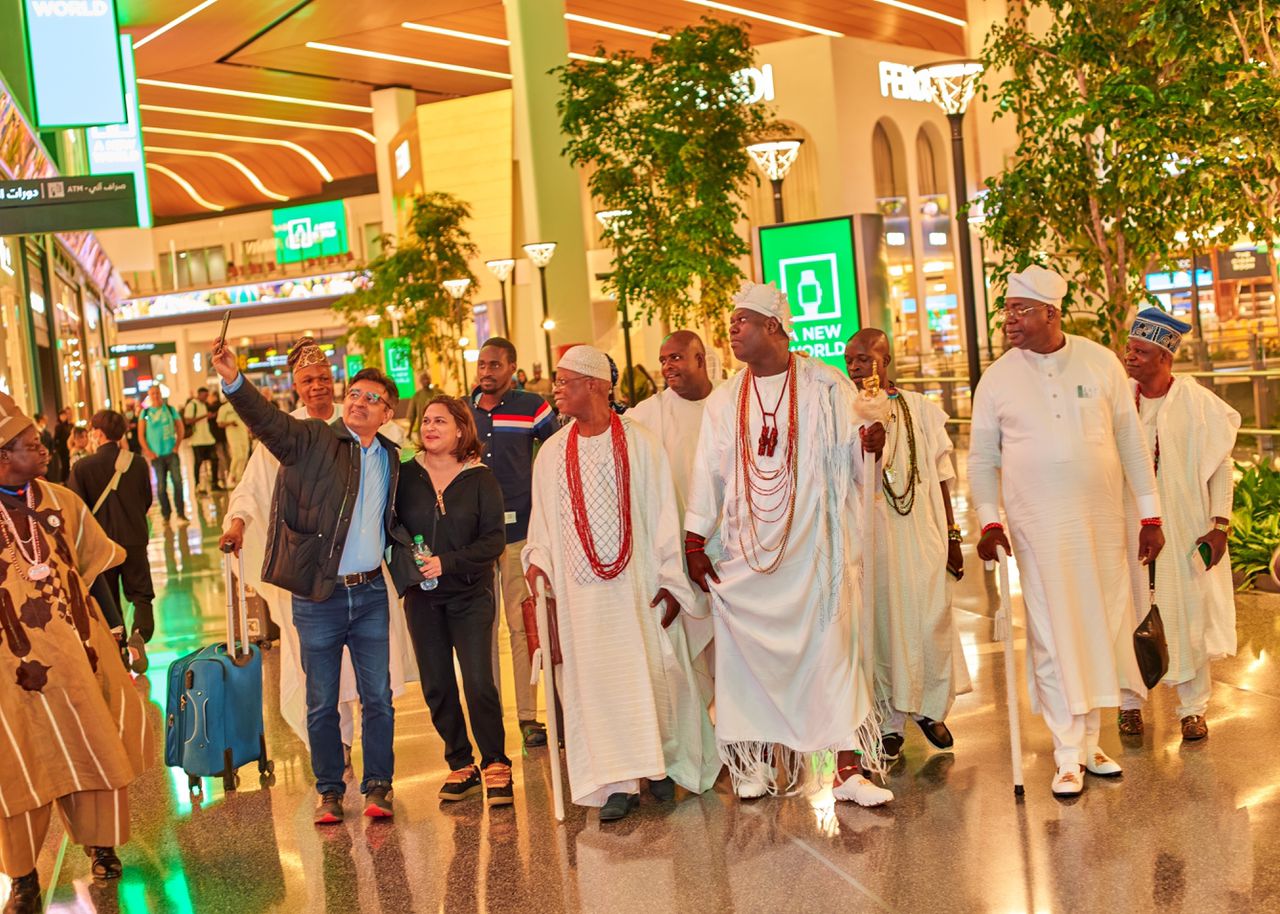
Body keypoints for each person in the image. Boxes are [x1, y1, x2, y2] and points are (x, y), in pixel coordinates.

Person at [684, 281, 891, 806]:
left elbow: (858, 464)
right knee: (745, 664)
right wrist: (693, 538)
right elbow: (707, 471)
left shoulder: (826, 385)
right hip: (748, 554)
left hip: (816, 553)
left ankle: (847, 770)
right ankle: (753, 764)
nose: (731, 330)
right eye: (730, 323)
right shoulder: (725, 399)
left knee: (833, 657)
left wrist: (871, 447)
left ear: (773, 327)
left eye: (742, 322)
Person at [970, 265, 1165, 798]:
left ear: (1051, 314)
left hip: (1102, 524)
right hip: (1038, 528)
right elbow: (982, 460)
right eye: (1007, 309)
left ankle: (1089, 743)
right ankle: (1065, 752)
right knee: (1053, 636)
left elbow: (1130, 443)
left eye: (1021, 310)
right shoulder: (998, 379)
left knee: (1099, 628)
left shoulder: (1100, 363)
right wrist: (988, 521)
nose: (1009, 319)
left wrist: (1151, 516)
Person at [524, 345, 720, 821]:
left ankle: (658, 767)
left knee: (655, 677)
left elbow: (663, 519)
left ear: (596, 385)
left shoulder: (642, 443)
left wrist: (673, 585)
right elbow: (543, 526)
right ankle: (617, 783)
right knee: (598, 686)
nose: (557, 390)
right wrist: (537, 563)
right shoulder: (551, 453)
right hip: (581, 599)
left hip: (638, 590)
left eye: (565, 381)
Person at [212, 341, 404, 825]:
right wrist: (234, 380)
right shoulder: (308, 435)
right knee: (321, 696)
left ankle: (379, 785)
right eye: (308, 381)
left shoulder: (389, 450)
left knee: (376, 693)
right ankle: (330, 787)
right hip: (317, 590)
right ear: (297, 387)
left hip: (371, 592)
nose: (321, 388)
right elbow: (261, 439)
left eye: (327, 380)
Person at [0, 393, 151, 913]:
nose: (43, 451)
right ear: (3, 456)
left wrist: (117, 629)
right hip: (8, 674)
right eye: (30, 445)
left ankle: (102, 848)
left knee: (93, 745)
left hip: (78, 659)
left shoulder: (63, 501)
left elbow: (95, 571)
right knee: (16, 766)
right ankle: (23, 879)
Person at [845, 329, 972, 760]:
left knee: (927, 620)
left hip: (921, 533)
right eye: (850, 359)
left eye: (865, 357)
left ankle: (929, 710)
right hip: (872, 537)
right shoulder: (845, 411)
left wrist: (953, 536)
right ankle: (888, 724)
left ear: (888, 358)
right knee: (881, 627)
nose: (857, 365)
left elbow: (941, 476)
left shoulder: (922, 410)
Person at [1119, 308, 1240, 741]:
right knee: (1128, 612)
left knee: (1188, 615)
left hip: (1185, 523)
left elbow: (1221, 465)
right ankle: (1130, 704)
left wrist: (1219, 525)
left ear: (1164, 357)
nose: (1129, 357)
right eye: (1129, 348)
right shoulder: (1116, 401)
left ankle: (1192, 709)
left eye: (1139, 351)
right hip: (1127, 525)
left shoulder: (1197, 402)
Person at [390, 397, 511, 806]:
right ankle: (460, 762)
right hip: (423, 601)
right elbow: (390, 528)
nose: (431, 427)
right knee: (437, 684)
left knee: (478, 682)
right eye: (426, 421)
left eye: (441, 421)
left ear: (461, 429)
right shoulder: (405, 475)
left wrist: (449, 562)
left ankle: (496, 761)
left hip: (471, 595)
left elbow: (494, 540)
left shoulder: (480, 479)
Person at [469, 337, 556, 747]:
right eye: (482, 365)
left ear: (512, 367)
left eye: (495, 366)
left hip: (521, 534)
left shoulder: (533, 406)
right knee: (482, 631)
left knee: (522, 627)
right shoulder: (463, 412)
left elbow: (557, 451)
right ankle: (491, 725)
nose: (486, 372)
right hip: (474, 541)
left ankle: (527, 718)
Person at [627, 331, 717, 709]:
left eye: (677, 358)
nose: (667, 367)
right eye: (663, 360)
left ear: (701, 359)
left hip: (729, 548)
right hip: (678, 552)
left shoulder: (728, 403)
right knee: (689, 653)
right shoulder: (648, 414)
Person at [68, 410, 156, 675]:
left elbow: (76, 509)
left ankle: (118, 650)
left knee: (108, 599)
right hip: (134, 539)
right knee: (141, 594)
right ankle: (140, 633)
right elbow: (147, 500)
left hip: (102, 546)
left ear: (98, 433)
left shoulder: (82, 467)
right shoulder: (138, 463)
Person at [139, 386, 188, 529]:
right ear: (149, 396)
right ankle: (166, 514)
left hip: (171, 453)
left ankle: (181, 513)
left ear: (161, 394)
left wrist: (177, 445)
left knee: (178, 483)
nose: (155, 395)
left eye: (157, 393)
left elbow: (180, 428)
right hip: (156, 456)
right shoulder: (145, 413)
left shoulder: (170, 410)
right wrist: (148, 451)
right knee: (161, 487)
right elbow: (141, 434)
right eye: (152, 393)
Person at [183, 388, 218, 493]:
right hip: (197, 440)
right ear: (199, 394)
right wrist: (204, 416)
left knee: (215, 460)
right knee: (198, 463)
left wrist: (210, 416)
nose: (206, 398)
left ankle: (214, 483)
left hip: (208, 438)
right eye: (205, 395)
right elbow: (188, 420)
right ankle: (198, 485)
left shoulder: (204, 405)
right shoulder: (192, 405)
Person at [218, 394, 251, 486]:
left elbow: (247, 419)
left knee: (244, 455)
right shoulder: (223, 408)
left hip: (243, 433)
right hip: (232, 435)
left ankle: (239, 477)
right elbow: (220, 423)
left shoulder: (241, 406)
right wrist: (230, 423)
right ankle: (232, 475)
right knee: (238, 455)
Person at [407, 370, 441, 441]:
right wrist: (409, 433)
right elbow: (412, 416)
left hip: (439, 429)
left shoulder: (438, 393)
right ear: (420, 381)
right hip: (423, 432)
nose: (426, 381)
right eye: (423, 379)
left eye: (427, 378)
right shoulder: (417, 396)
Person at [205, 389, 228, 490]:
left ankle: (222, 475)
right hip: (224, 435)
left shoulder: (212, 407)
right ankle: (228, 473)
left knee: (220, 456)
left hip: (216, 436)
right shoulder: (222, 406)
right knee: (226, 455)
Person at [52, 408, 72, 483]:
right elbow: (55, 438)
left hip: (69, 448)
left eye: (64, 415)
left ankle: (69, 479)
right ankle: (63, 480)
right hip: (62, 449)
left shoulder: (70, 425)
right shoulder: (58, 426)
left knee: (69, 464)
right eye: (62, 415)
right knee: (64, 464)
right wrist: (56, 449)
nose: (63, 417)